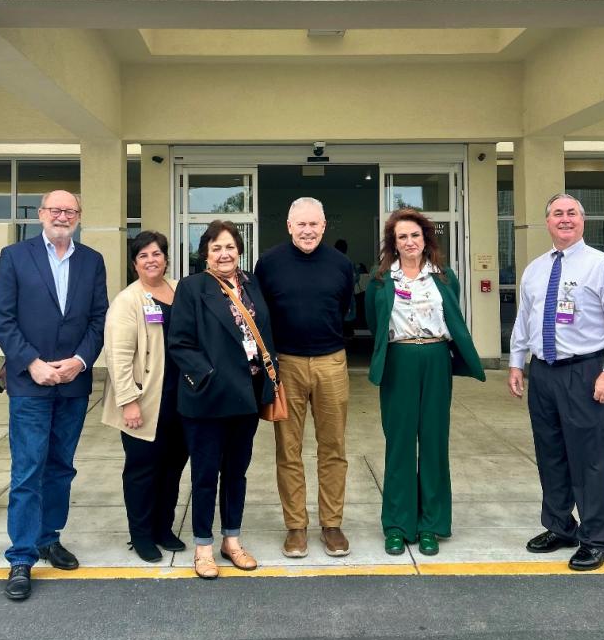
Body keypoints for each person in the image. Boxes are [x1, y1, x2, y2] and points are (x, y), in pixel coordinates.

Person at [0, 190, 108, 601]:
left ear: (78, 216)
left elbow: (98, 319)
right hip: (30, 382)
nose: (62, 216)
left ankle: (48, 537)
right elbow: (2, 319)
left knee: (61, 466)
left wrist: (79, 361)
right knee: (27, 468)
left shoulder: (91, 260)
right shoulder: (14, 256)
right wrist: (33, 363)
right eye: (55, 210)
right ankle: (20, 556)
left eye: (70, 210)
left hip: (73, 382)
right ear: (40, 215)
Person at [508, 193, 604, 571]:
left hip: (587, 372)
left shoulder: (602, 266)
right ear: (547, 222)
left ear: (583, 220)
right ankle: (560, 526)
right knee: (551, 453)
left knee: (592, 458)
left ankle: (597, 537)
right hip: (543, 372)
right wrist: (517, 363)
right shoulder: (535, 269)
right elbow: (525, 320)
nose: (565, 219)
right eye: (557, 213)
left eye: (572, 213)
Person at [366, 208, 485, 557]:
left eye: (415, 235)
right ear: (394, 243)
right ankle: (398, 525)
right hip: (399, 360)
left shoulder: (444, 277)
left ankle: (431, 525)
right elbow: (376, 324)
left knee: (433, 442)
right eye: (402, 237)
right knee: (399, 444)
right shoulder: (380, 279)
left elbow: (454, 316)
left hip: (435, 359)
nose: (409, 242)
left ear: (425, 239)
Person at [168, 220, 278, 579]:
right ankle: (203, 546)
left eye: (229, 246)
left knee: (236, 473)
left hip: (246, 396)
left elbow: (263, 331)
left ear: (239, 250)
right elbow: (180, 342)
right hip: (208, 398)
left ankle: (232, 540)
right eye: (216, 248)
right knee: (204, 474)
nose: (224, 253)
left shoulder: (251, 284)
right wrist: (208, 375)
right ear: (205, 254)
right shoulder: (193, 287)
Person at [255, 197, 353, 558]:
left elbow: (342, 307)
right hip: (286, 365)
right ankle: (296, 527)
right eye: (301, 224)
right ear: (289, 226)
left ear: (324, 227)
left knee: (333, 448)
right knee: (288, 450)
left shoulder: (340, 265)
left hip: (331, 363)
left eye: (314, 224)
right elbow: (260, 314)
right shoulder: (268, 265)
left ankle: (332, 525)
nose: (308, 230)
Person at [101, 231, 187, 563]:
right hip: (145, 401)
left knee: (173, 468)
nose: (152, 260)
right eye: (143, 256)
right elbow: (118, 357)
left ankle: (164, 528)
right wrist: (129, 402)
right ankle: (141, 535)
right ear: (135, 263)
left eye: (157, 254)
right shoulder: (128, 300)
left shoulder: (180, 290)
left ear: (166, 257)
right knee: (142, 470)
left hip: (182, 400)